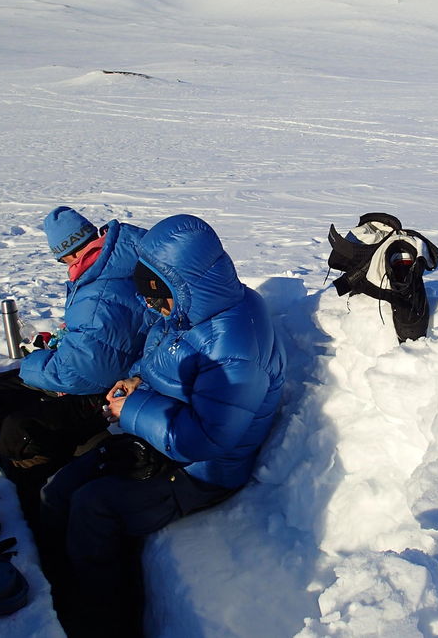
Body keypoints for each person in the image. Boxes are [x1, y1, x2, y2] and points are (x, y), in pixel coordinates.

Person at [38, 214, 286, 637]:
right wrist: (136, 381)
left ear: (180, 284)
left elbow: (205, 439)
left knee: (93, 508)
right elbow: (161, 356)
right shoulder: (190, 309)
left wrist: (133, 408)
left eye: (157, 298)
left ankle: (103, 623)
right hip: (159, 438)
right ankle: (59, 589)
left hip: (202, 472)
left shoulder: (233, 347)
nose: (153, 307)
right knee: (57, 490)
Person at [0, 206, 149, 517]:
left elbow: (78, 374)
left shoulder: (99, 291)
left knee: (19, 428)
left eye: (62, 261)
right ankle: (35, 453)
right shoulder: (111, 264)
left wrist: (33, 362)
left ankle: (38, 495)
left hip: (111, 389)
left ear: (68, 255)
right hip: (110, 372)